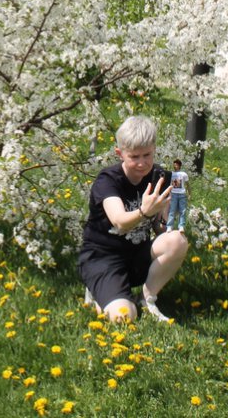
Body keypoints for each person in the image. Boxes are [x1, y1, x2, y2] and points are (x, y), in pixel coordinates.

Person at [78, 116, 188, 323]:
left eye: (147, 155)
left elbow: (163, 231)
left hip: (137, 254)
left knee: (177, 240)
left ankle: (147, 300)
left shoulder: (161, 177)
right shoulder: (108, 180)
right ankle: (98, 291)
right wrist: (144, 212)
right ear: (120, 154)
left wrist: (166, 216)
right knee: (124, 317)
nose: (142, 163)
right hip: (103, 258)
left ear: (154, 148)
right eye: (134, 156)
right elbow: (119, 220)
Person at [166, 159, 189, 233]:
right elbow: (168, 184)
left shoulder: (183, 174)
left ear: (179, 165)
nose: (175, 166)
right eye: (174, 164)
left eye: (176, 164)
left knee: (182, 211)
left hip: (182, 194)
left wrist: (189, 194)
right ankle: (169, 226)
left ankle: (181, 226)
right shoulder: (171, 174)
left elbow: (187, 184)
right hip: (173, 194)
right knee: (172, 210)